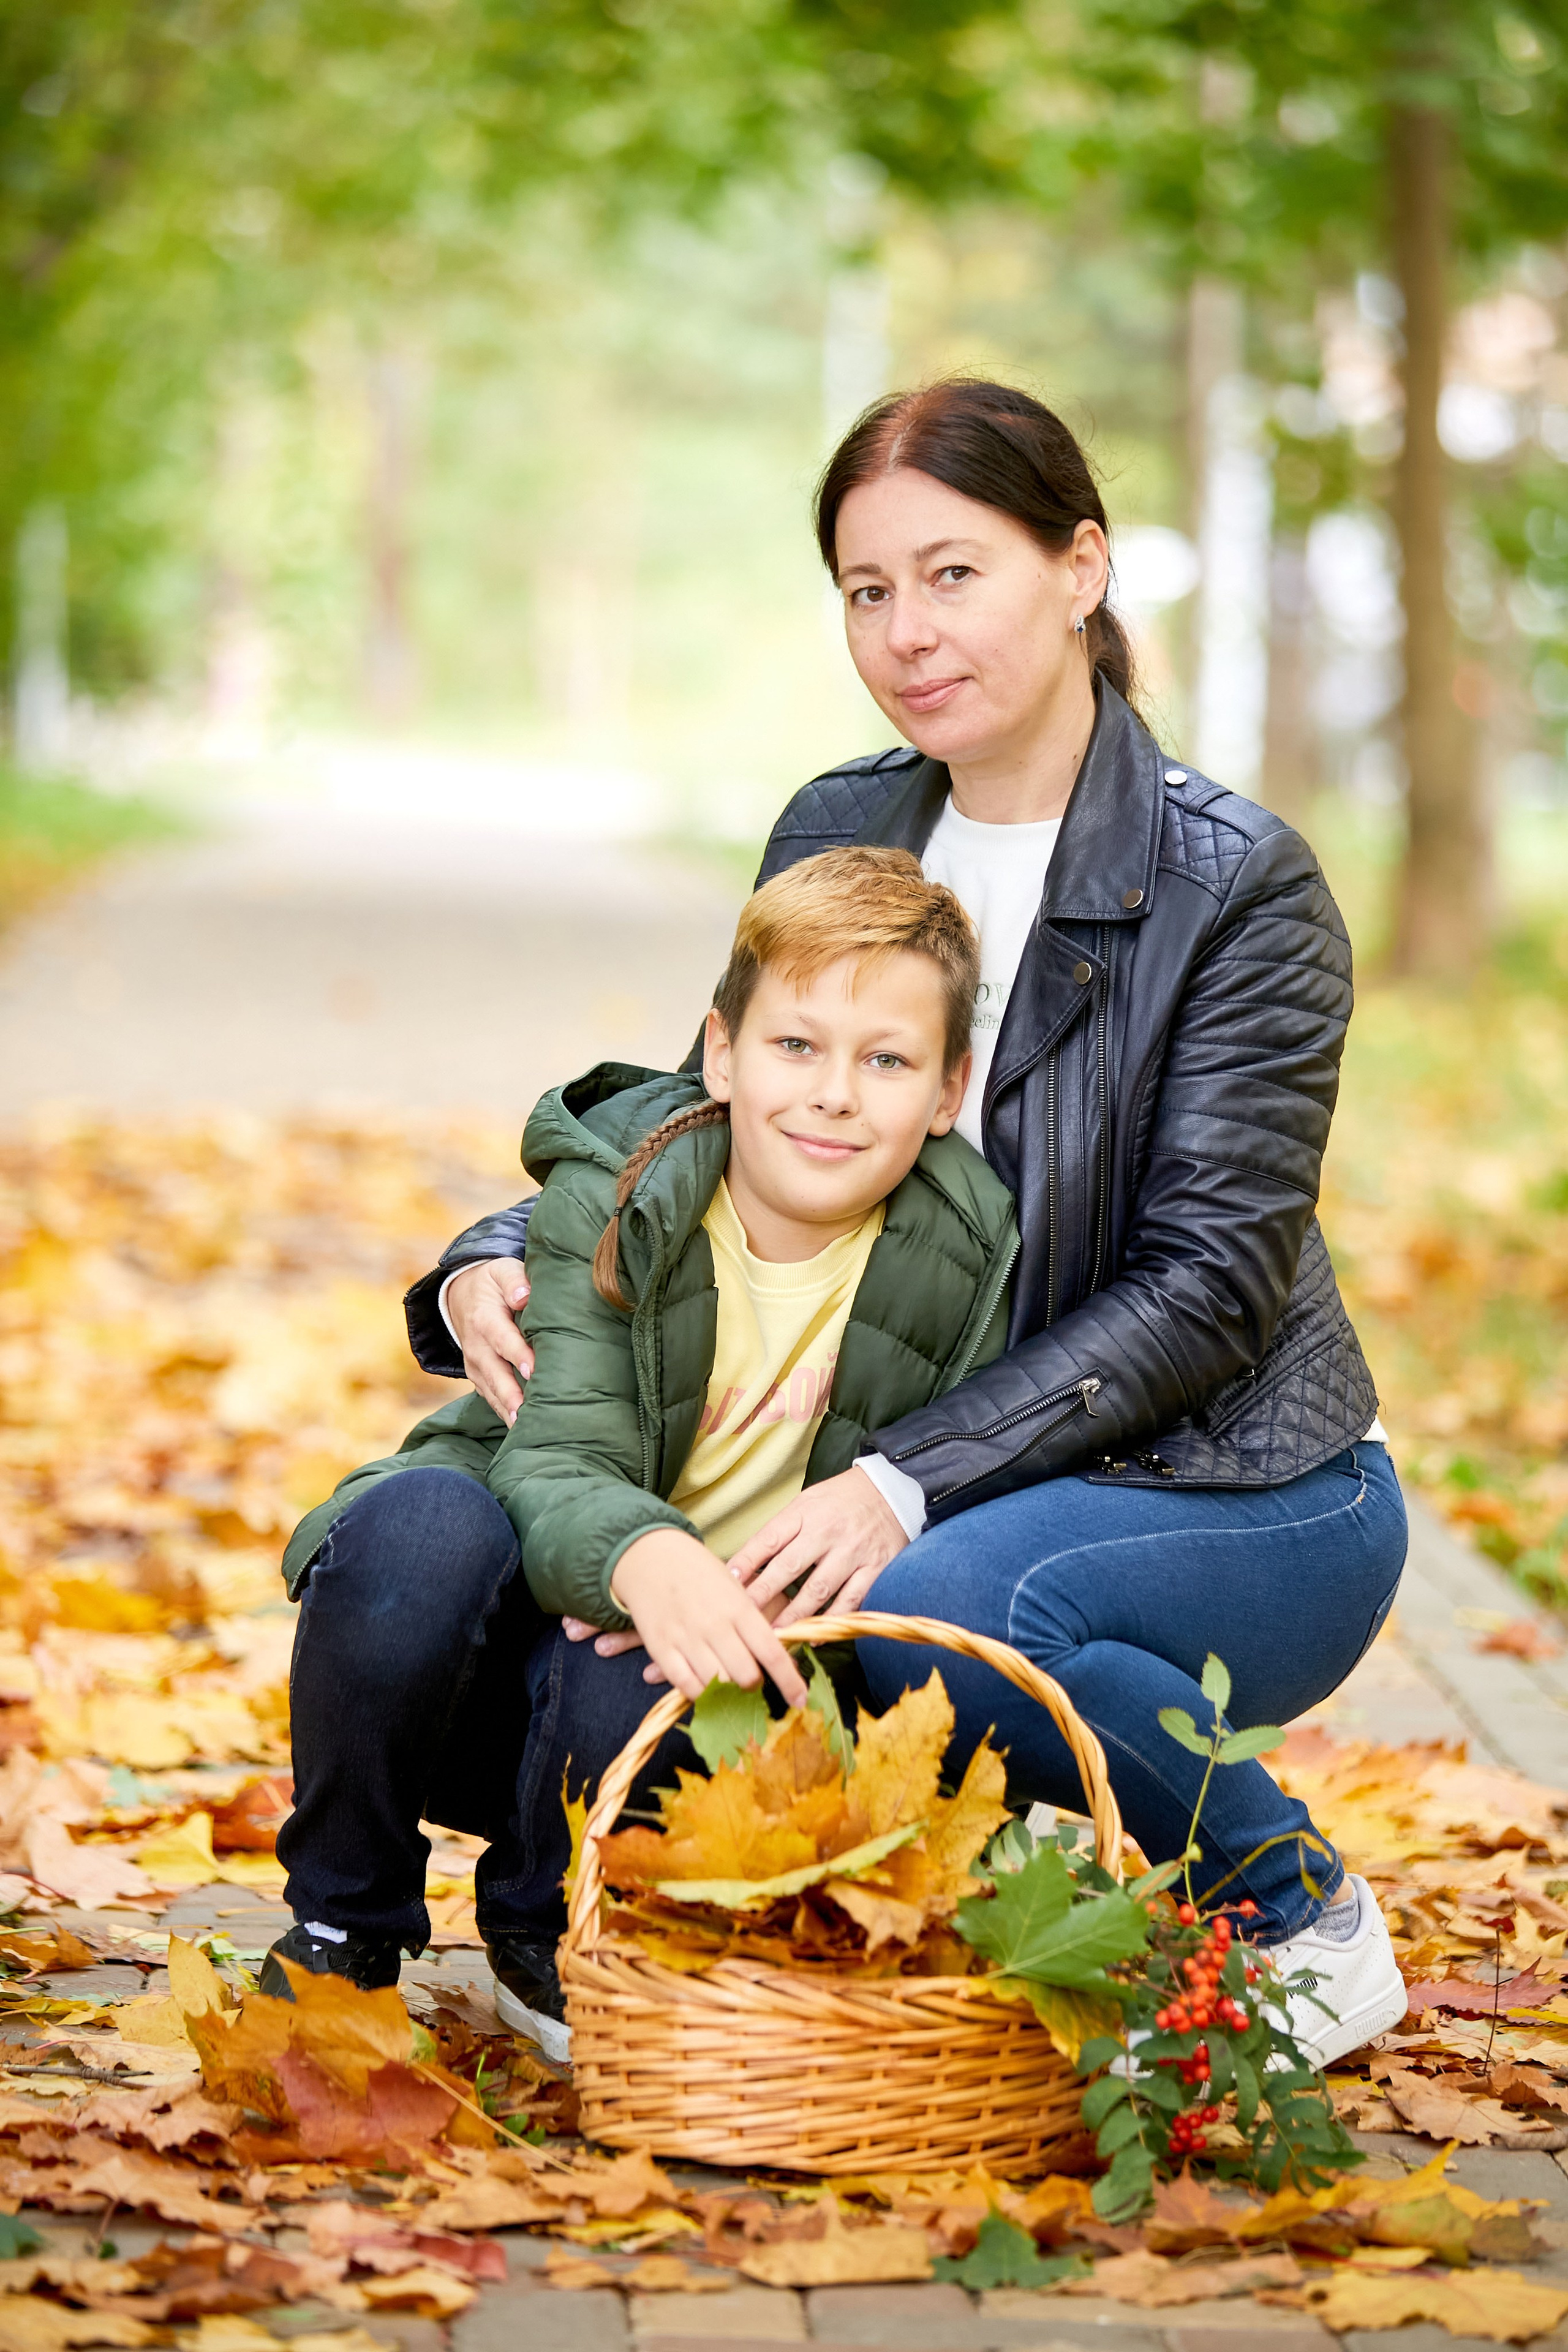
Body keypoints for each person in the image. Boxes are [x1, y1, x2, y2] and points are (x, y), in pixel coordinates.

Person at [420, 378, 1409, 2068]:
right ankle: (899, 1878)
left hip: (1241, 1479)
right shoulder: (844, 822)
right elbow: (708, 1114)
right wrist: (493, 1252)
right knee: (494, 1566)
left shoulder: (1238, 885)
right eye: (867, 591)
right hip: (944, 1464)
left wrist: (900, 1478)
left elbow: (1212, 1289)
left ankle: (1295, 1902)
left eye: (954, 574)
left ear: (1081, 568)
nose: (906, 632)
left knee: (949, 1614)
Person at [266, 847, 1017, 2046]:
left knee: (659, 1660)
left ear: (944, 1090)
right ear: (719, 1051)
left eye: (884, 1061)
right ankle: (341, 1923)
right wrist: (645, 1553)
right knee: (409, 1536)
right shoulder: (624, 1192)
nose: (832, 1094)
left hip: (691, 1679)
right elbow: (558, 1462)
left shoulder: (966, 1246)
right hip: (505, 1602)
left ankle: (545, 1925)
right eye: (794, 1046)